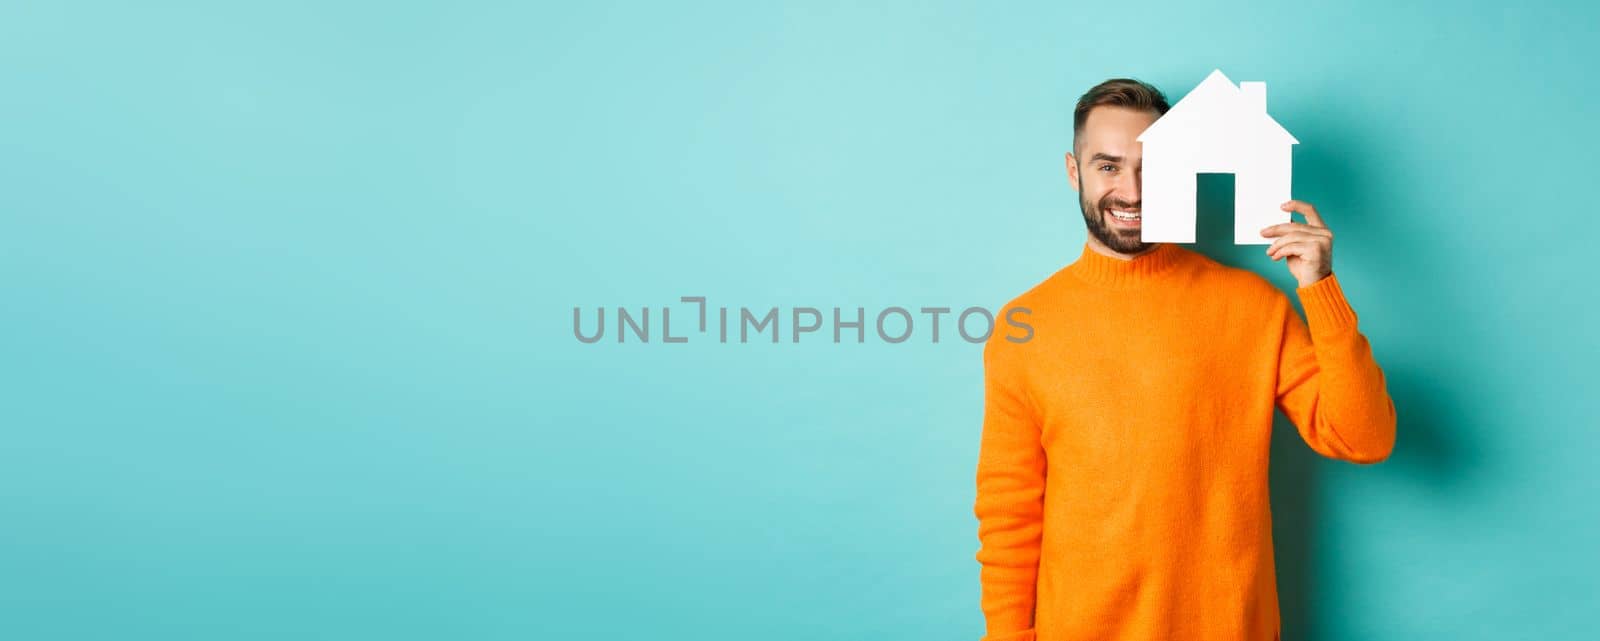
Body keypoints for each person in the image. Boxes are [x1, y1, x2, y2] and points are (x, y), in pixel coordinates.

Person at [972, 78, 1397, 641]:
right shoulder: (1025, 327)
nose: (1132, 190)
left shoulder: (1254, 308)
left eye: (1151, 166)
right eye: (1108, 166)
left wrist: (1320, 288)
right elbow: (1009, 513)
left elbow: (1364, 438)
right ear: (1074, 172)